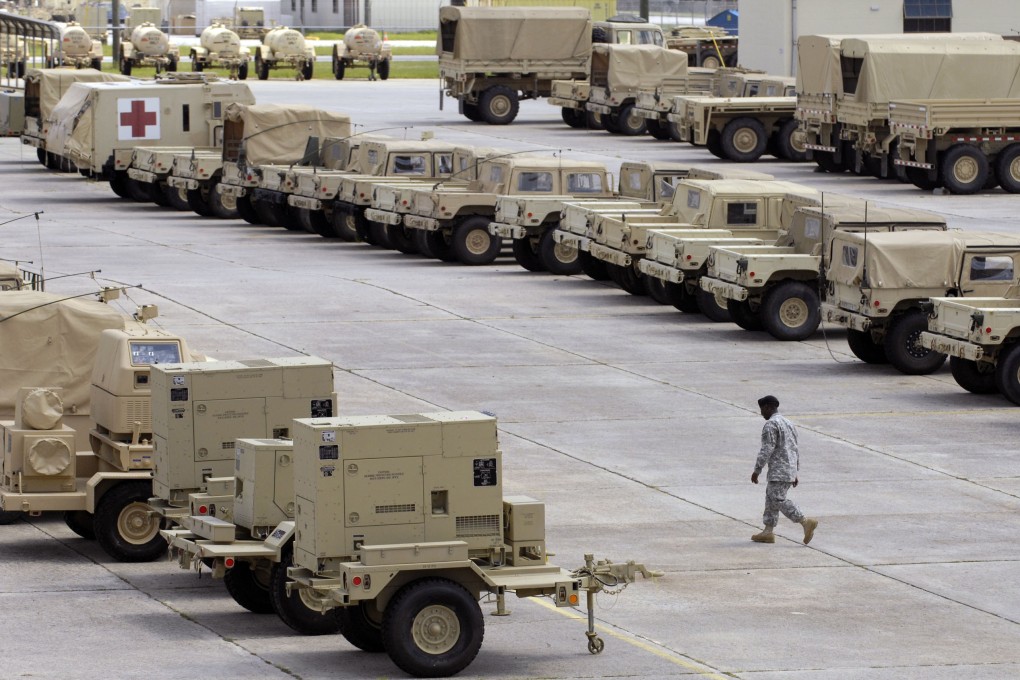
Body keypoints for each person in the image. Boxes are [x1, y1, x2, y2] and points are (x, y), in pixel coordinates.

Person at [750, 395, 818, 545]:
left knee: (777, 499)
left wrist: (757, 470)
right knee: (770, 498)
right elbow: (794, 447)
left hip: (779, 469)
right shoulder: (788, 423)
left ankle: (805, 521)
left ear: (768, 407)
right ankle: (768, 531)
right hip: (788, 468)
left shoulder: (771, 425)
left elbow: (767, 449)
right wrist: (795, 471)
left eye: (762, 409)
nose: (761, 413)